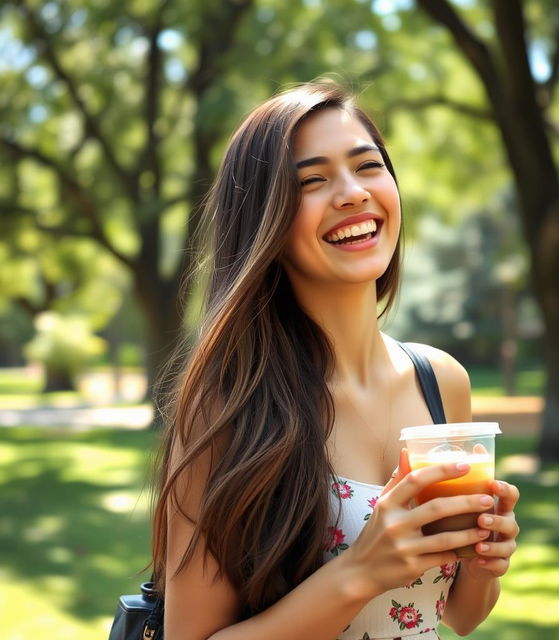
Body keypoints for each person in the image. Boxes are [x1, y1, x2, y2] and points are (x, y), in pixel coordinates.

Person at [151, 81, 520, 640]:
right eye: (312, 180)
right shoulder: (230, 406)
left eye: (367, 166)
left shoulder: (442, 381)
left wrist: (486, 557)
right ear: (264, 222)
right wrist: (361, 572)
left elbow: (460, 616)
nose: (351, 193)